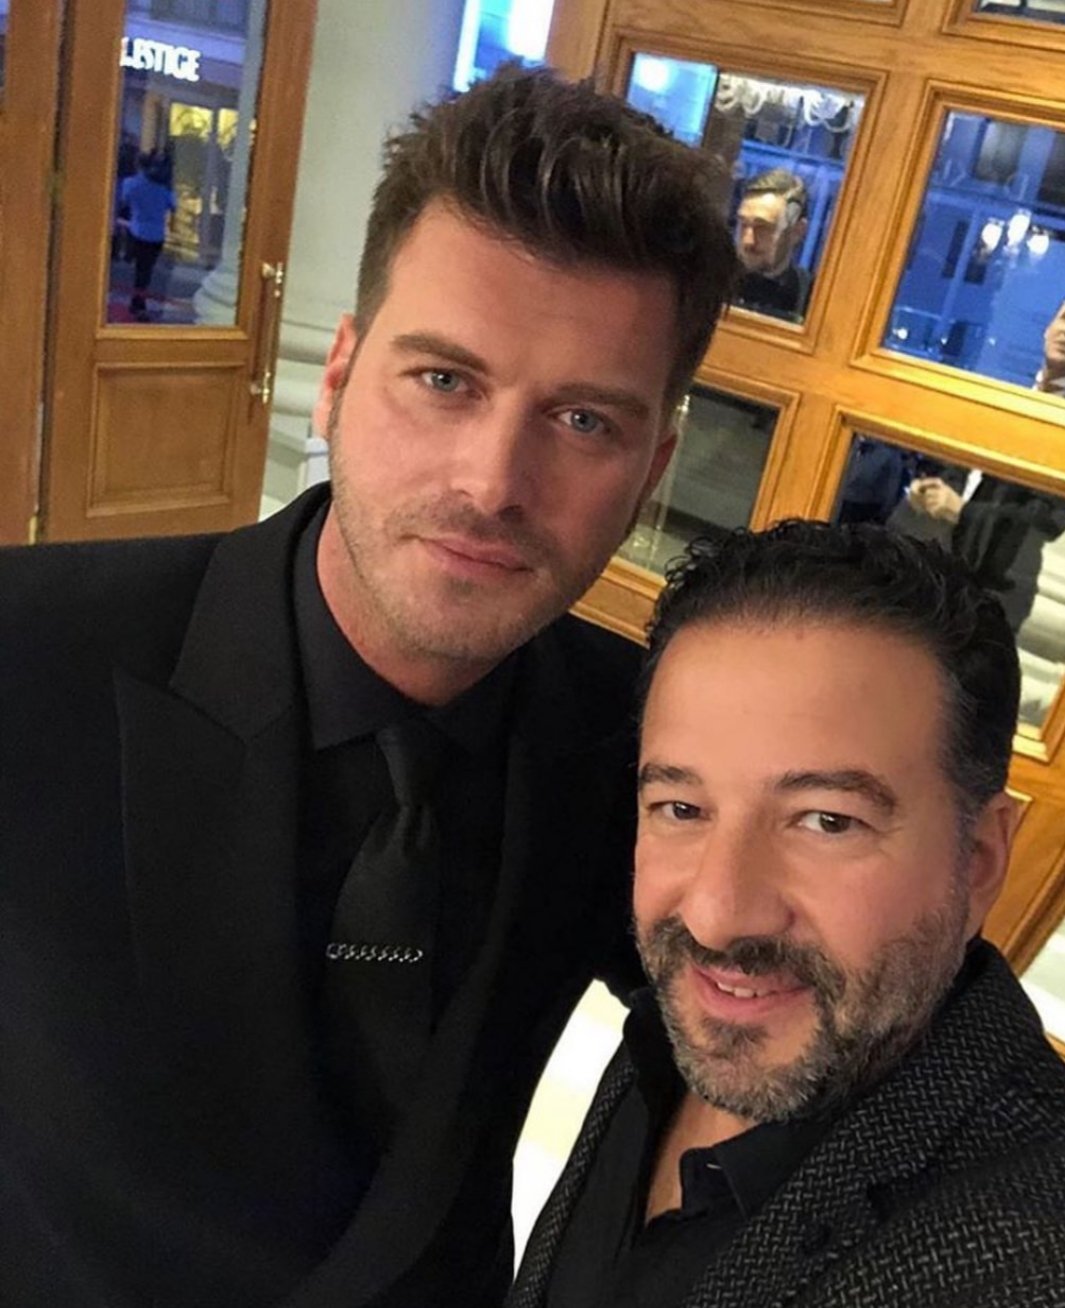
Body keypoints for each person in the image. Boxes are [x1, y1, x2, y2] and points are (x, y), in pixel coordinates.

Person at [0, 67, 738, 1307]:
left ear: (653, 465)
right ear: (339, 372)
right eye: (444, 380)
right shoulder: (27, 656)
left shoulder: (649, 745)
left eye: (583, 423)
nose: (492, 483)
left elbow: (795, 1021)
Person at [510, 521, 1065, 1308]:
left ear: (976, 861)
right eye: (680, 807)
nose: (715, 917)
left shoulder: (1033, 1257)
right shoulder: (670, 1036)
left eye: (827, 821)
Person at [906, 297, 1065, 632]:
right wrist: (933, 489)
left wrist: (961, 512)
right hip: (938, 570)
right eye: (1064, 319)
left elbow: (1046, 521)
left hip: (997, 592)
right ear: (1048, 327)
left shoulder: (1058, 426)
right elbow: (971, 468)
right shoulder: (1013, 396)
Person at [734, 169, 811, 322]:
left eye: (763, 227)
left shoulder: (812, 297)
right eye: (743, 224)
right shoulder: (710, 280)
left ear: (797, 231)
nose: (748, 240)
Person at [120, 149, 176, 319]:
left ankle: (138, 303)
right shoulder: (163, 188)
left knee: (140, 270)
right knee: (146, 270)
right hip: (156, 234)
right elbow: (173, 206)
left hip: (137, 231)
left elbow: (125, 200)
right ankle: (138, 302)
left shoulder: (131, 183)